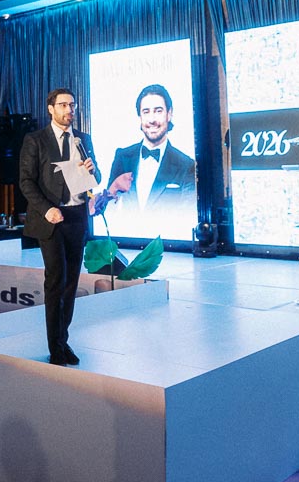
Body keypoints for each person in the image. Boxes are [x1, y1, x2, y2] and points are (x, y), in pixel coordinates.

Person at [19, 87, 100, 366]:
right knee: (56, 282)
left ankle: (63, 341)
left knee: (70, 285)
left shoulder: (83, 139)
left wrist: (92, 171)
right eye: (63, 105)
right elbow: (26, 182)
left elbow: (96, 177)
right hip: (52, 218)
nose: (69, 110)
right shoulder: (36, 140)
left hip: (77, 217)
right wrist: (47, 209)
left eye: (73, 105)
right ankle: (55, 347)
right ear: (50, 108)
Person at [99, 83, 198, 236]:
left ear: (169, 114)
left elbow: (186, 216)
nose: (152, 119)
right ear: (140, 116)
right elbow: (109, 207)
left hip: (170, 248)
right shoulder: (122, 157)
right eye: (146, 112)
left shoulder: (187, 165)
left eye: (158, 111)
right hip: (127, 245)